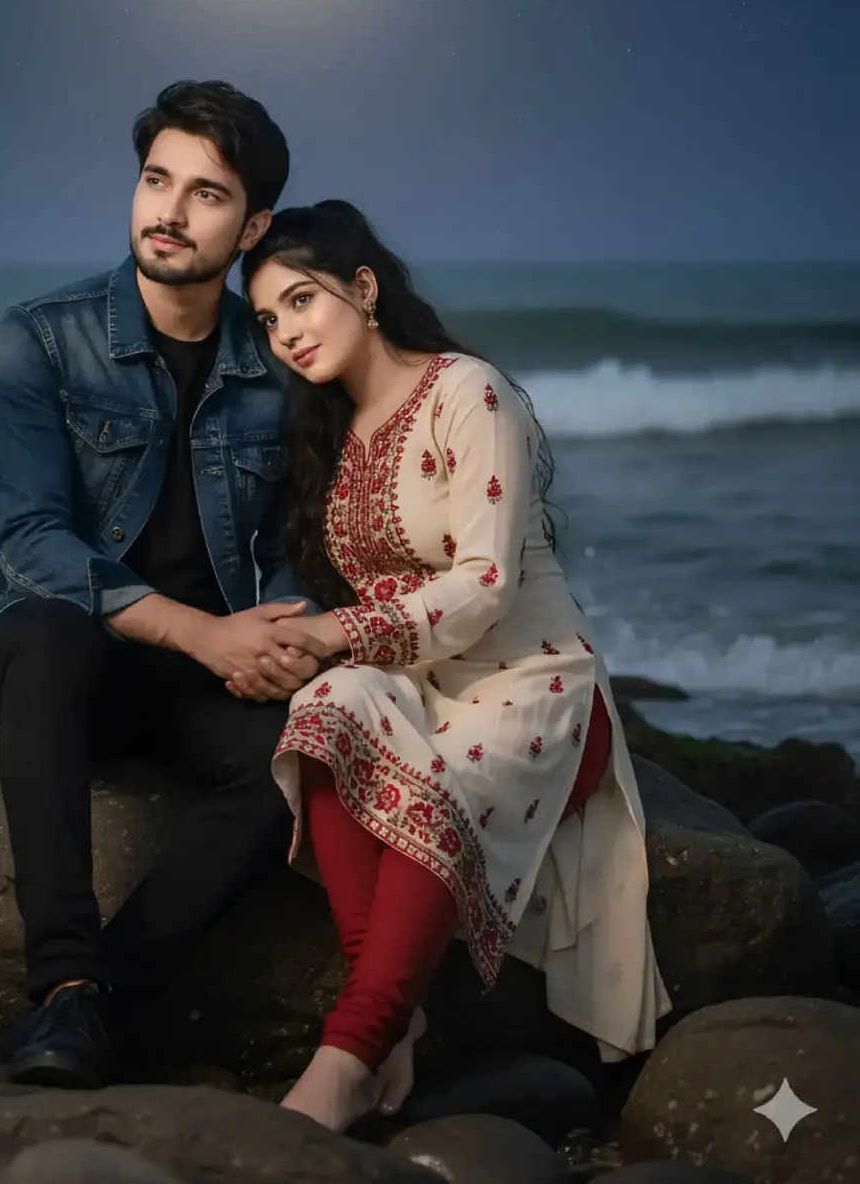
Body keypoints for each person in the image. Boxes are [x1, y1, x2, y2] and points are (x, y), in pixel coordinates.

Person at [238, 199, 672, 1133]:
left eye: (302, 301)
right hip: (431, 697)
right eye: (269, 321)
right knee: (324, 707)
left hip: (540, 691)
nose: (286, 335)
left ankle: (348, 1050)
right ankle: (391, 1018)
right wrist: (284, 649)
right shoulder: (337, 442)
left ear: (364, 288)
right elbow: (364, 638)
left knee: (374, 704)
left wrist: (330, 631)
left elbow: (481, 586)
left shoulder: (466, 389)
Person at [0, 81, 330, 1088]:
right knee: (58, 634)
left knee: (302, 754)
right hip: (60, 655)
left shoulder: (280, 371)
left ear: (253, 226)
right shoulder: (39, 339)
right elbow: (32, 542)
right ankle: (61, 980)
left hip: (201, 681)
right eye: (157, 180)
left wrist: (285, 637)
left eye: (207, 193)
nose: (169, 210)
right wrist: (204, 635)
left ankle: (99, 999)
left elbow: (297, 540)